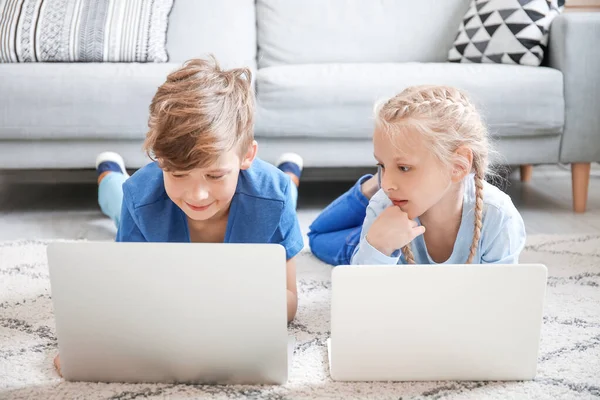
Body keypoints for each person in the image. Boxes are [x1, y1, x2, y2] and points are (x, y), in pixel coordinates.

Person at [308, 85, 526, 266]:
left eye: (403, 168)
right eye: (382, 165)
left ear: (458, 166)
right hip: (386, 228)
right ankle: (367, 187)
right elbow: (363, 300)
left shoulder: (498, 216)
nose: (388, 185)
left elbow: (500, 303)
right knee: (316, 238)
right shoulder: (383, 206)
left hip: (400, 213)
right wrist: (377, 246)